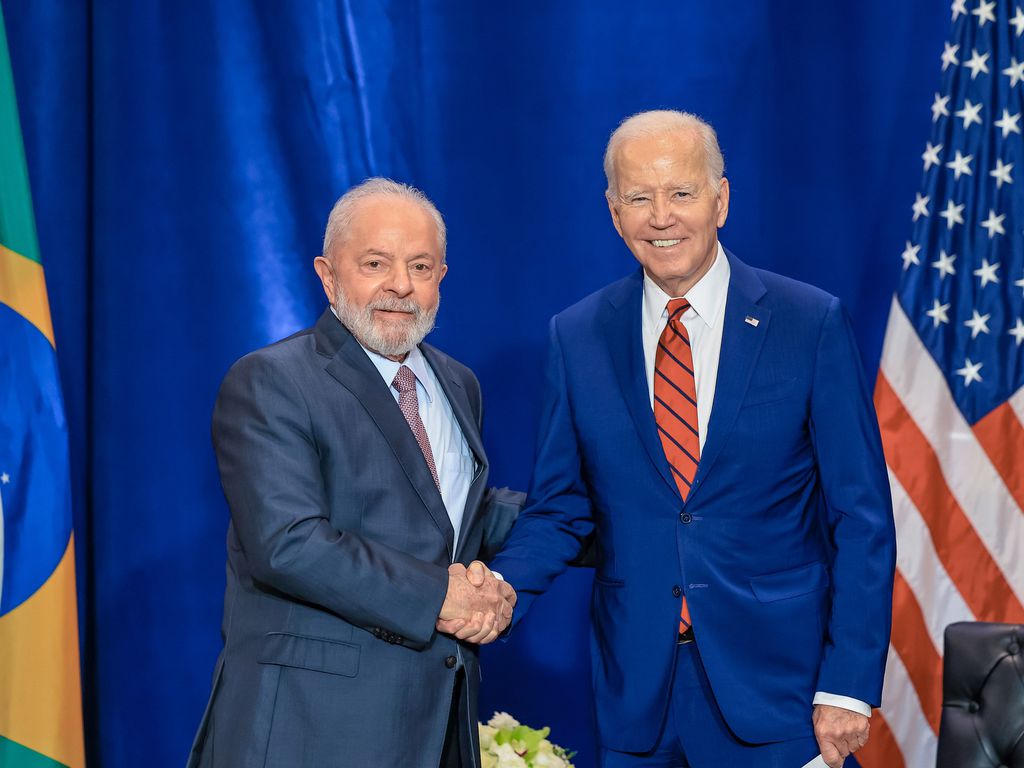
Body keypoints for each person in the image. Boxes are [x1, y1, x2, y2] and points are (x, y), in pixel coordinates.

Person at [488, 111, 896, 768]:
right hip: (636, 698)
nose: (661, 217)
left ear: (720, 200)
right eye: (639, 198)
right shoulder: (577, 335)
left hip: (780, 693)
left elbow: (862, 516)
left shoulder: (808, 323)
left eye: (680, 193)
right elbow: (561, 508)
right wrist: (502, 589)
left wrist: (848, 683)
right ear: (614, 212)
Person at [187, 178, 516, 768]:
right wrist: (442, 595)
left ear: (441, 277)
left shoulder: (457, 383)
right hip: (308, 729)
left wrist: (588, 520)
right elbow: (287, 543)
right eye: (375, 263)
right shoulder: (271, 380)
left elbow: (450, 516)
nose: (400, 285)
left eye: (420, 265)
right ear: (327, 273)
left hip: (434, 722)